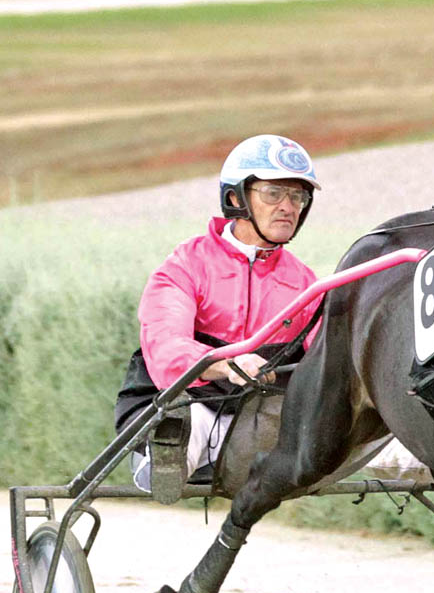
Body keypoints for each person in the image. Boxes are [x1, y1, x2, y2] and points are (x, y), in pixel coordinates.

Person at [114, 134, 323, 505]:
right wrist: (228, 364)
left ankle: (427, 458)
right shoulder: (185, 266)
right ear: (235, 198)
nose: (288, 207)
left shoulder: (307, 284)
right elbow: (165, 347)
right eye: (274, 194)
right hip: (188, 402)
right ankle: (166, 453)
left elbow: (328, 359)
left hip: (263, 421)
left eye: (297, 197)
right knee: (183, 416)